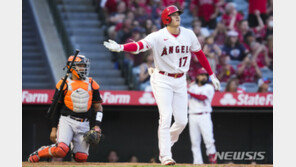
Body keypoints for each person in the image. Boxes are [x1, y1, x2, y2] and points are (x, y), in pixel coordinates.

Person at [103, 5, 220, 165]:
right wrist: (121, 47)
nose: (177, 17)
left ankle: (166, 142)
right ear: (166, 19)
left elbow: (199, 54)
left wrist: (211, 74)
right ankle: (165, 155)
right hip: (162, 78)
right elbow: (139, 46)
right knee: (165, 117)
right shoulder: (157, 36)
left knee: (181, 121)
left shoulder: (189, 34)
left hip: (180, 80)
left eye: (178, 14)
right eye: (173, 15)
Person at [28, 55, 103, 163]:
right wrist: (54, 129)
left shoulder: (92, 84)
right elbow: (56, 108)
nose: (83, 68)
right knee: (61, 150)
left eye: (84, 66)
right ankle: (40, 152)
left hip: (84, 123)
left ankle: (75, 147)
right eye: (80, 66)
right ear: (71, 67)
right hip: (67, 121)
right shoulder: (63, 84)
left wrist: (97, 126)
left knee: (81, 157)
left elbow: (98, 107)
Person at [187, 68, 217, 164]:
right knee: (195, 142)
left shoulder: (209, 87)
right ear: (197, 76)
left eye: (205, 75)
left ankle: (213, 161)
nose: (204, 77)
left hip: (204, 115)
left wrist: (188, 91)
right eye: (201, 75)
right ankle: (197, 163)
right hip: (192, 115)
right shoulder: (192, 87)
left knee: (209, 140)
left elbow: (202, 98)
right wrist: (187, 87)